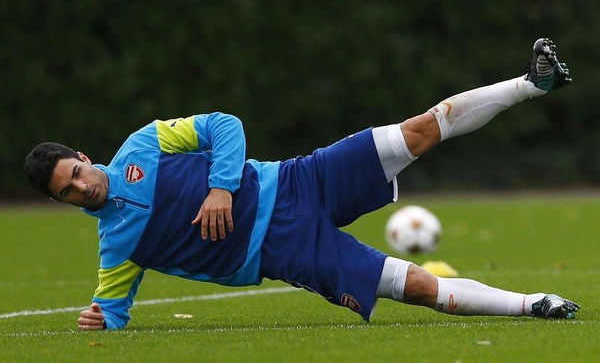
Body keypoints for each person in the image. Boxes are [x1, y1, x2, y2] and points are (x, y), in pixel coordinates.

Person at [24, 38, 580, 330]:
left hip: (297, 180)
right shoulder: (116, 247)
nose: (82, 186)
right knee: (414, 288)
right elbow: (111, 313)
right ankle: (534, 305)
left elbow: (224, 126)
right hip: (287, 250)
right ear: (63, 202)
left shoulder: (144, 144)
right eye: (68, 191)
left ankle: (532, 82)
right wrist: (98, 318)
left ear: (83, 157)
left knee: (416, 131)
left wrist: (221, 187)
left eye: (76, 172)